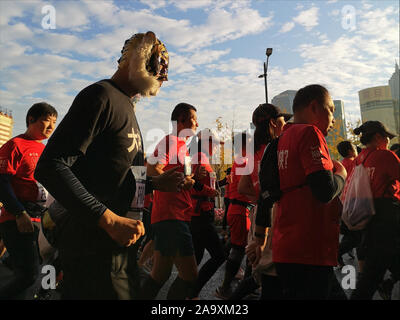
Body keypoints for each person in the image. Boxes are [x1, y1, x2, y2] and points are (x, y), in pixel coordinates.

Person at [34, 31, 184, 300]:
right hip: (91, 245)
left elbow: (106, 173)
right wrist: (108, 219)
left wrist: (154, 183)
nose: (165, 78)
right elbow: (50, 165)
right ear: (141, 58)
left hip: (115, 242)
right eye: (160, 67)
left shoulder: (126, 105)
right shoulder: (100, 96)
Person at [252, 84, 347, 300]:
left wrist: (259, 238)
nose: (333, 119)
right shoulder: (309, 133)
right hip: (310, 249)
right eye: (331, 109)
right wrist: (340, 174)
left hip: (287, 248)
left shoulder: (279, 142)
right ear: (314, 107)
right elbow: (325, 190)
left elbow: (266, 194)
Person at [140, 102, 200, 300]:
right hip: (171, 216)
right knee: (190, 276)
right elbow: (152, 168)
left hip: (175, 215)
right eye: (194, 118)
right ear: (181, 119)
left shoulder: (182, 146)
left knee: (160, 274)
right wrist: (181, 182)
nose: (197, 123)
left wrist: (187, 181)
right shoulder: (172, 141)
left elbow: (179, 177)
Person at [0, 102, 57, 299]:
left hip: (37, 218)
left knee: (27, 269)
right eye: (46, 121)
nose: (51, 127)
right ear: (31, 119)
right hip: (18, 217)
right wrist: (18, 213)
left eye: (54, 123)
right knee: (29, 274)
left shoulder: (43, 149)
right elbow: (2, 182)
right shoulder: (15, 145)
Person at [234, 103, 291, 300]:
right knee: (275, 273)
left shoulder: (252, 151)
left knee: (265, 271)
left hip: (260, 212)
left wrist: (261, 197)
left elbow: (242, 188)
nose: (285, 125)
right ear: (274, 123)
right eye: (283, 121)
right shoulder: (280, 147)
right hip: (278, 213)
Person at [349, 121, 400, 300]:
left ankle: (387, 284)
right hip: (386, 216)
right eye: (386, 138)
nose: (387, 141)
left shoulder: (360, 158)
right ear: (378, 137)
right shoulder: (385, 156)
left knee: (388, 258)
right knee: (371, 275)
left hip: (367, 215)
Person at [187, 128, 227, 299]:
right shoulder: (197, 158)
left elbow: (205, 184)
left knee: (196, 257)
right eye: (216, 144)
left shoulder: (203, 158)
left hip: (202, 214)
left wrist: (223, 182)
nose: (218, 148)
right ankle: (191, 292)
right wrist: (208, 191)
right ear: (207, 143)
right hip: (199, 216)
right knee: (219, 255)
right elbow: (190, 183)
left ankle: (188, 292)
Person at [215, 131, 254, 299]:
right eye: (251, 142)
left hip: (238, 210)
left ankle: (244, 284)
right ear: (245, 144)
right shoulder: (243, 162)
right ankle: (226, 288)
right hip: (240, 211)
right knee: (240, 250)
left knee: (237, 247)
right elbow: (244, 189)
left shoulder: (239, 162)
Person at [336, 141, 365, 270]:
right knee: (357, 236)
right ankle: (337, 253)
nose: (356, 148)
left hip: (347, 202)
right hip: (355, 202)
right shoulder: (353, 162)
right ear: (349, 151)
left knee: (355, 235)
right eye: (354, 147)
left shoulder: (343, 163)